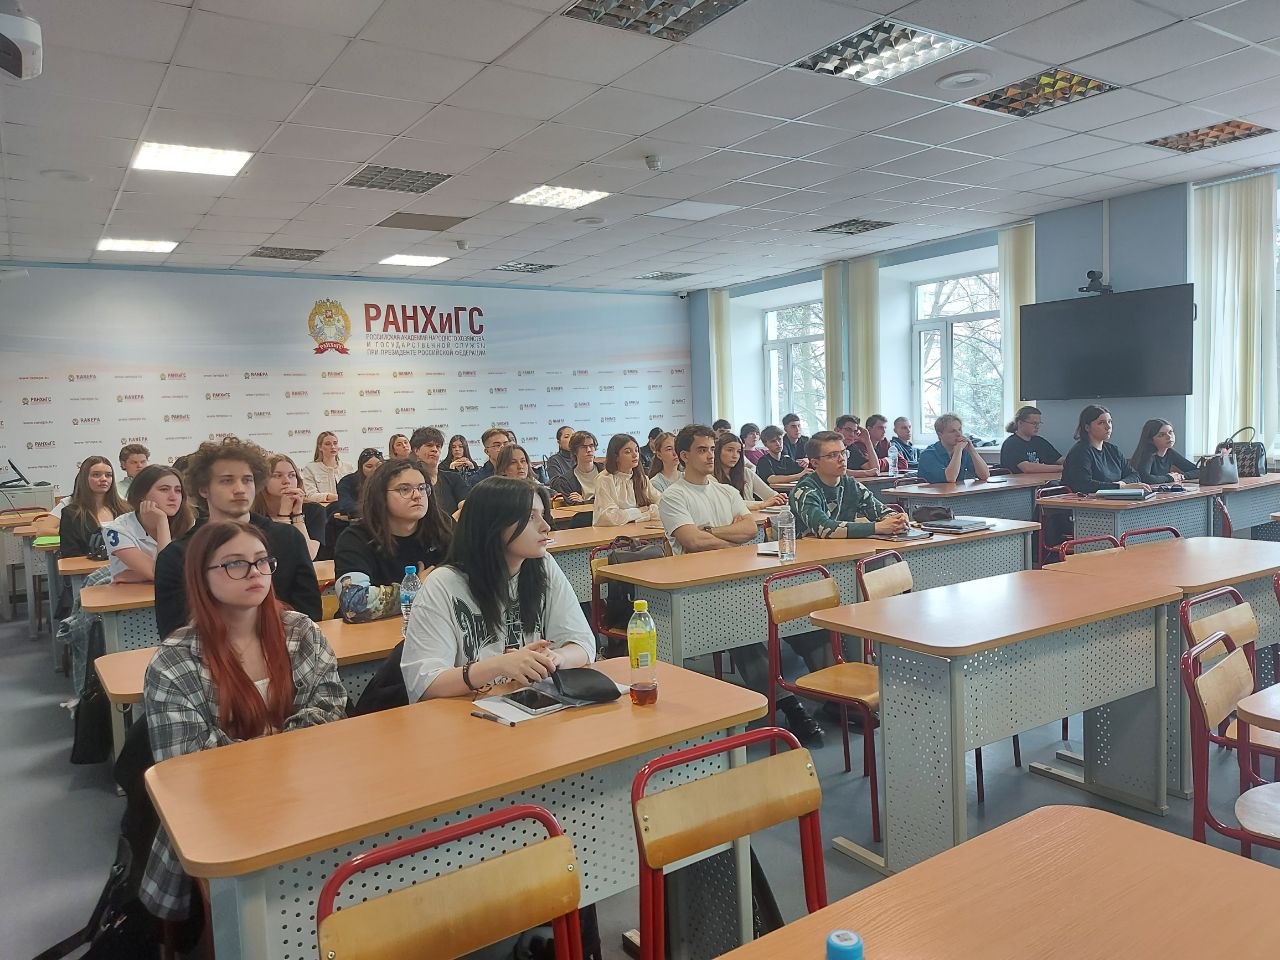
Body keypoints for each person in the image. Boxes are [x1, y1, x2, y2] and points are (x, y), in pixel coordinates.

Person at [140, 520, 345, 922]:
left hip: (307, 799)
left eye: (262, 561)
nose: (254, 573)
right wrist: (285, 745)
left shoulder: (300, 631)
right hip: (219, 823)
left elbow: (331, 709)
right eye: (235, 564)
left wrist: (257, 746)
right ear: (201, 577)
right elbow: (189, 767)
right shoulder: (173, 660)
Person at [657, 425, 823, 747]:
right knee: (739, 632)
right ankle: (790, 706)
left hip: (742, 578)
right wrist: (726, 539)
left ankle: (833, 698)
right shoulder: (674, 496)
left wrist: (709, 531)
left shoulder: (727, 491)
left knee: (804, 616)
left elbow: (748, 531)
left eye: (711, 449)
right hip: (699, 591)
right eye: (702, 450)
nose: (710, 455)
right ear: (684, 456)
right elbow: (692, 541)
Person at [401, 477, 595, 701]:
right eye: (530, 517)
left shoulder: (543, 565)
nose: (545, 526)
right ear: (493, 525)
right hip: (466, 714)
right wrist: (498, 666)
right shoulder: (444, 584)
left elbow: (583, 644)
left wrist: (556, 658)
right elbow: (424, 684)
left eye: (543, 515)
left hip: (525, 708)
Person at [154, 437, 321, 640]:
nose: (240, 489)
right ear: (204, 489)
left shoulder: (288, 538)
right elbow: (174, 634)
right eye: (227, 480)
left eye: (247, 480)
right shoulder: (177, 555)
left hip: (286, 645)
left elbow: (310, 612)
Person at [334, 458, 453, 622]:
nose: (417, 495)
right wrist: (416, 589)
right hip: (371, 631)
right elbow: (354, 603)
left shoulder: (443, 528)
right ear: (381, 496)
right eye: (404, 489)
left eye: (422, 488)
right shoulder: (355, 538)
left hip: (432, 623)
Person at [791, 433, 908, 539]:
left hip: (844, 549)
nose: (842, 459)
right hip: (810, 552)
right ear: (815, 463)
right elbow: (824, 528)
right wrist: (877, 527)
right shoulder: (804, 490)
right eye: (833, 455)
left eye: (843, 452)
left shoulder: (851, 485)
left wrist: (897, 519)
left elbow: (880, 511)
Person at [102, 464, 195, 583]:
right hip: (130, 593)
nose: (173, 497)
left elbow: (198, 569)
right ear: (142, 495)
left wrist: (136, 576)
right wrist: (162, 522)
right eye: (164, 489)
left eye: (178, 490)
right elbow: (166, 573)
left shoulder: (188, 522)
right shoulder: (116, 530)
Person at [1061, 405, 1150, 494]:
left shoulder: (1113, 450)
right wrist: (1119, 487)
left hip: (1112, 498)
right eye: (1101, 423)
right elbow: (1083, 485)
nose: (1108, 427)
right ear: (1087, 427)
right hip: (1086, 501)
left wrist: (1122, 483)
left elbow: (1134, 475)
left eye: (1109, 422)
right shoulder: (1080, 452)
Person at [254, 453, 326, 557]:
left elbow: (309, 555)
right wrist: (284, 516)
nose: (287, 481)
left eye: (292, 475)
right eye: (278, 476)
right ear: (263, 481)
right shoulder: (252, 515)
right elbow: (277, 555)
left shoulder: (315, 510)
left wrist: (297, 515)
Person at [59, 456, 129, 557]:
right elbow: (70, 555)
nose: (104, 479)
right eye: (96, 475)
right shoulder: (71, 514)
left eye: (108, 475)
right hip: (89, 566)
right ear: (84, 478)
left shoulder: (126, 509)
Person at [594, 434, 662, 526]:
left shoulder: (642, 478)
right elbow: (608, 517)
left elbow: (662, 504)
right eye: (628, 452)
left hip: (639, 530)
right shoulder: (605, 479)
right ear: (616, 457)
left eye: (636, 450)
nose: (635, 455)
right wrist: (639, 511)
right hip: (612, 533)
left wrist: (641, 515)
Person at [411, 427, 470, 518]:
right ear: (416, 450)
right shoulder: (410, 482)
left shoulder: (454, 478)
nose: (435, 449)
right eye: (429, 445)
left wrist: (449, 523)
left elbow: (466, 505)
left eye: (438, 446)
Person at [713, 432, 784, 506]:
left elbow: (770, 495)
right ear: (718, 451)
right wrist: (762, 504)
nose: (735, 456)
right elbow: (730, 503)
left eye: (738, 452)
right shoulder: (711, 477)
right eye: (730, 450)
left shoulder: (746, 472)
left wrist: (780, 498)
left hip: (753, 513)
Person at [918, 414, 991, 484]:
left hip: (956, 491)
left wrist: (972, 450)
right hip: (933, 492)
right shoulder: (927, 454)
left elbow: (985, 475)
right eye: (952, 431)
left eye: (959, 429)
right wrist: (958, 450)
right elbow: (950, 478)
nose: (959, 434)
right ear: (940, 434)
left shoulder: (964, 451)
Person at [1131, 419, 1199, 484]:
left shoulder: (1170, 452)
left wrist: (1181, 476)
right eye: (1162, 435)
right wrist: (1169, 478)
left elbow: (1199, 471)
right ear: (1151, 440)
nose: (1169, 437)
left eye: (1170, 432)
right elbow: (1146, 479)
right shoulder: (1147, 454)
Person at [1000, 406, 1063, 474]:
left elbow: (1059, 459)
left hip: (1042, 479)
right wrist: (1062, 468)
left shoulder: (1040, 441)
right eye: (1034, 423)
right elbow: (1027, 468)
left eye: (1039, 423)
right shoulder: (1011, 443)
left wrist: (1070, 462)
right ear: (1020, 423)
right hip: (1021, 481)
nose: (1037, 427)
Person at [300, 431, 353, 505]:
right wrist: (332, 497)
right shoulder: (310, 468)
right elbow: (311, 495)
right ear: (320, 447)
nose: (333, 447)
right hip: (324, 509)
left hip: (347, 508)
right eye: (328, 444)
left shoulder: (349, 467)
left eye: (335, 443)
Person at [549, 430, 600, 504]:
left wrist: (584, 501)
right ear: (575, 451)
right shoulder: (565, 481)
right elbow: (571, 506)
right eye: (583, 447)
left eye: (591, 446)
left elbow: (612, 499)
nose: (589, 450)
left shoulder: (606, 472)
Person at [335, 448, 382, 520]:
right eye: (369, 466)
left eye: (378, 466)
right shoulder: (346, 482)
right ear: (361, 467)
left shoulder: (389, 481)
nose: (375, 470)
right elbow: (347, 507)